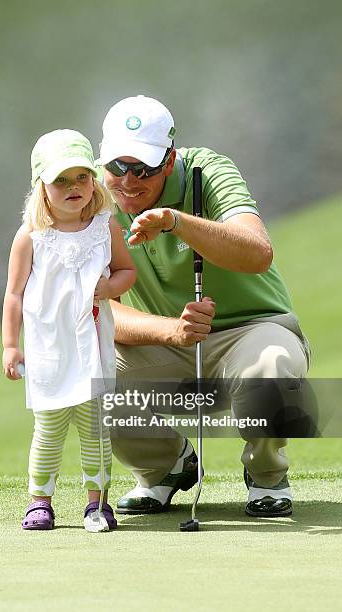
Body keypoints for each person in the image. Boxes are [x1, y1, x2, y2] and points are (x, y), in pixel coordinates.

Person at [96, 95, 311, 517]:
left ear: (169, 159)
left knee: (272, 367)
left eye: (143, 168)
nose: (128, 181)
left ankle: (267, 475)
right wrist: (171, 331)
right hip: (169, 341)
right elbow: (101, 308)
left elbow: (257, 252)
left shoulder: (206, 171)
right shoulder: (93, 198)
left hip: (251, 330)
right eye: (117, 167)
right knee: (92, 373)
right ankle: (165, 469)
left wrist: (175, 221)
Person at [2, 129, 135, 532]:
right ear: (42, 187)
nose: (73, 187)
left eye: (81, 177)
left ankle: (97, 504)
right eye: (60, 180)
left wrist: (108, 288)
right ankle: (40, 501)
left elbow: (127, 272)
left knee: (96, 432)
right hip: (49, 353)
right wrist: (11, 345)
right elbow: (13, 295)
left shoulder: (104, 227)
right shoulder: (31, 237)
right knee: (49, 431)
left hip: (92, 348)